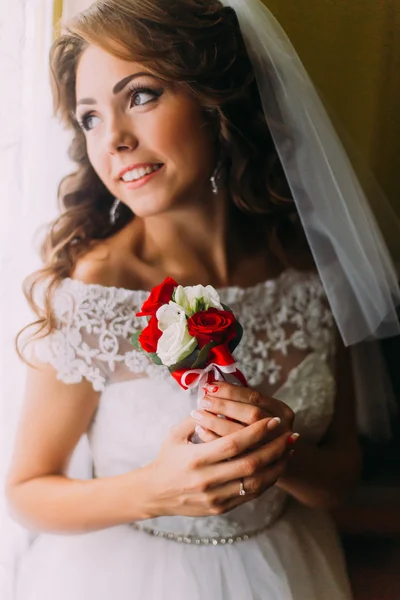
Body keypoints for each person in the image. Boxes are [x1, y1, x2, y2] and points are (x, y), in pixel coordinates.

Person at [5, 0, 400, 598]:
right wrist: (155, 489)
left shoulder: (310, 269)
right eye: (89, 117)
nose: (113, 139)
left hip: (289, 568)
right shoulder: (95, 287)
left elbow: (341, 476)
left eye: (140, 95)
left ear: (216, 105)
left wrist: (276, 450)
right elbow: (27, 491)